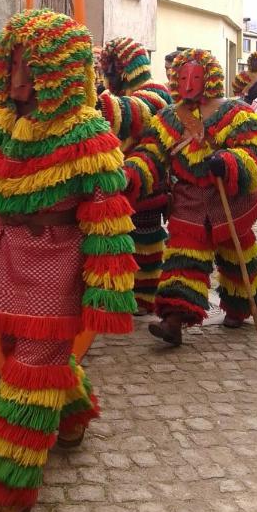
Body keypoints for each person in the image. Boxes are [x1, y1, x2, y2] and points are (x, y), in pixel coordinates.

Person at [0, 9, 138, 512]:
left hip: (59, 260)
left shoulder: (88, 136)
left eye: (35, 72)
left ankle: (10, 484)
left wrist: (105, 294)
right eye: (14, 68)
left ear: (63, 75)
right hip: (4, 248)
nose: (20, 84)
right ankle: (71, 415)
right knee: (15, 350)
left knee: (29, 369)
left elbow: (108, 221)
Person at [124, 48, 257, 346]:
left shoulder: (236, 112)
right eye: (183, 76)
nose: (189, 81)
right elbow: (152, 152)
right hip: (189, 200)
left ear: (210, 77)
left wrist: (230, 161)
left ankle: (240, 305)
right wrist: (131, 173)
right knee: (183, 257)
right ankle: (173, 321)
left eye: (196, 75)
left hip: (229, 197)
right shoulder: (169, 117)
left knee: (237, 255)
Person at [98, 38, 172, 312]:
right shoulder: (116, 92)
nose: (112, 73)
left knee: (145, 235)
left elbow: (132, 113)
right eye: (110, 67)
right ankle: (119, 288)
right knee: (118, 237)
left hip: (147, 181)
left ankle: (144, 295)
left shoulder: (155, 91)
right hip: (118, 180)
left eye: (116, 66)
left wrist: (97, 104)